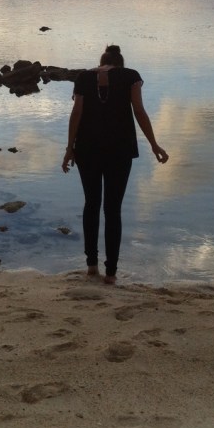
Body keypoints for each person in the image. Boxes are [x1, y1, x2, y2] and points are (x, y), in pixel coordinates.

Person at [61, 44, 168, 284]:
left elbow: (76, 112)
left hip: (87, 149)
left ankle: (91, 267)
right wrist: (154, 144)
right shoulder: (131, 76)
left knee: (91, 204)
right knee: (113, 210)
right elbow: (138, 111)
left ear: (101, 61)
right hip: (120, 150)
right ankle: (111, 274)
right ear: (120, 62)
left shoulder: (83, 77)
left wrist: (69, 149)